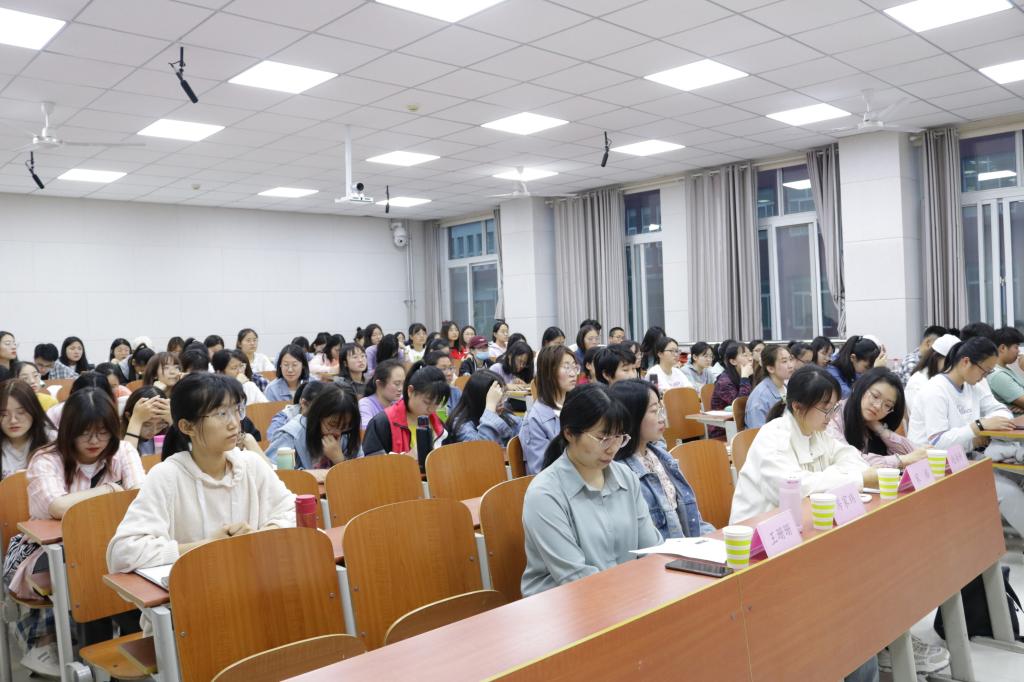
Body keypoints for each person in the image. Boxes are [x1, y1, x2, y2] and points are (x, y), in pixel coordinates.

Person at [106, 373, 295, 581]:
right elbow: (123, 553)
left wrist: (259, 536)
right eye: (221, 414)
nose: (234, 423)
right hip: (195, 589)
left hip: (253, 582)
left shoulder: (251, 464)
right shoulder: (166, 476)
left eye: (236, 410)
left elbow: (294, 512)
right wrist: (207, 546)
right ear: (187, 427)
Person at [9, 388, 144, 676]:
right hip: (54, 552)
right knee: (89, 575)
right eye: (85, 433)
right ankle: (100, 662)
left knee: (116, 570)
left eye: (103, 432)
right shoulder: (46, 458)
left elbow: (139, 496)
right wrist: (111, 490)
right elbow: (57, 506)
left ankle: (121, 658)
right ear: (68, 430)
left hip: (111, 547)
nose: (94, 441)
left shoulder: (122, 451)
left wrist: (110, 496)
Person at [521, 383, 660, 597]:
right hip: (564, 604)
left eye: (619, 437)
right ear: (569, 433)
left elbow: (651, 550)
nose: (612, 448)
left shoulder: (626, 477)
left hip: (626, 596)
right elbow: (575, 577)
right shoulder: (545, 494)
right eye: (603, 438)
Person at [907, 337, 1024, 535]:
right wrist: (978, 427)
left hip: (965, 458)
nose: (985, 377)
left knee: (1017, 477)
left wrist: (984, 425)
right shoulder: (935, 390)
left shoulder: (973, 385)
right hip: (935, 466)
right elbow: (938, 442)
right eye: (984, 370)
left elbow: (1001, 410)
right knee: (1009, 493)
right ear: (966, 362)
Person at [731, 365, 877, 522]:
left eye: (834, 408)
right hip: (759, 528)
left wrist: (828, 478)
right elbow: (796, 489)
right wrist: (855, 479)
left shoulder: (818, 431)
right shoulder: (773, 437)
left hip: (803, 521)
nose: (831, 416)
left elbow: (852, 458)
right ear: (797, 406)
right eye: (826, 409)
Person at [610, 380, 713, 538]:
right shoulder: (621, 473)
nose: (662, 418)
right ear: (632, 416)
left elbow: (694, 521)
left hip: (687, 546)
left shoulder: (662, 457)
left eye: (661, 409)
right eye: (654, 411)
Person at [828, 368, 926, 471]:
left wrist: (881, 430)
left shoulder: (872, 424)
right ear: (861, 387)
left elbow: (915, 455)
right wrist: (900, 460)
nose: (878, 406)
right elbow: (851, 460)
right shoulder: (833, 415)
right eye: (875, 396)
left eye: (887, 405)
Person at [265, 384, 362, 478]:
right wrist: (312, 475)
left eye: (345, 426)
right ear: (317, 416)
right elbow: (272, 472)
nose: (338, 433)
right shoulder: (291, 435)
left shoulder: (348, 434)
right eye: (332, 424)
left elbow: (361, 473)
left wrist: (339, 460)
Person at [361, 365, 450, 456]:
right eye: (427, 402)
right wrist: (408, 458)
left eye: (436, 403)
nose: (431, 409)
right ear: (410, 391)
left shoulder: (437, 423)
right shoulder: (382, 422)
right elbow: (373, 461)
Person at [520, 345, 578, 475]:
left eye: (574, 367)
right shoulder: (535, 419)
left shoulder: (577, 406)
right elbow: (541, 471)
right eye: (566, 367)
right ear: (549, 372)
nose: (573, 373)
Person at [444, 370, 522, 447]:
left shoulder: (502, 414)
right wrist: (490, 408)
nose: (502, 402)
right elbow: (484, 450)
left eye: (503, 395)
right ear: (479, 398)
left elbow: (520, 430)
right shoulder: (462, 426)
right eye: (496, 397)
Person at [1, 379, 56, 479]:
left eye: (21, 412)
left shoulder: (51, 439)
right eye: (4, 414)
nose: (13, 420)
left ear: (34, 410)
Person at [905, 333, 960, 416]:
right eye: (950, 363)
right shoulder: (918, 382)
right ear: (936, 358)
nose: (953, 368)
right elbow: (923, 415)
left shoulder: (949, 380)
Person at [745, 345, 794, 430]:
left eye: (790, 359)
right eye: (784, 361)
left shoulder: (786, 387)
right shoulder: (760, 398)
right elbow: (758, 432)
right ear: (771, 368)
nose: (791, 365)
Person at [710, 342, 754, 438]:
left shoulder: (749, 375)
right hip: (723, 430)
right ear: (733, 361)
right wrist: (745, 377)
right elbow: (740, 405)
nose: (750, 358)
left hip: (743, 424)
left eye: (751, 355)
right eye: (745, 355)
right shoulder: (724, 381)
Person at [120, 386, 171, 455]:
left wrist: (173, 421)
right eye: (146, 425)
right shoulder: (117, 440)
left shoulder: (165, 432)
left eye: (160, 425)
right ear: (128, 416)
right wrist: (135, 420)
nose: (154, 431)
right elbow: (127, 458)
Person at [988, 326, 1024, 414]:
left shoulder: (1004, 368)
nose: (1019, 351)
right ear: (1002, 348)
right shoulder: (998, 375)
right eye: (1016, 347)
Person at [359, 360, 405, 429]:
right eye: (397, 384)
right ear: (379, 384)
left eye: (403, 383)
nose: (401, 388)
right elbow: (367, 432)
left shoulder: (401, 401)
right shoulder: (366, 405)